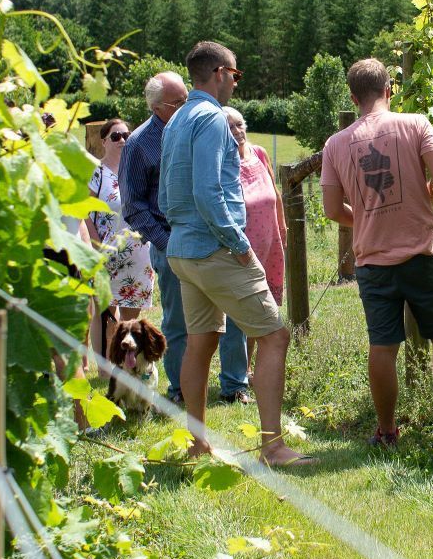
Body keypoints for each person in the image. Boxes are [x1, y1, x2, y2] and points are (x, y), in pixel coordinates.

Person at [159, 41, 314, 467]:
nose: (236, 83)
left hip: (182, 252)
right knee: (275, 336)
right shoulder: (210, 119)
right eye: (236, 75)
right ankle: (273, 447)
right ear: (221, 73)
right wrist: (240, 245)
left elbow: (166, 193)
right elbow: (210, 193)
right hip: (215, 249)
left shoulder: (175, 121)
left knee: (201, 342)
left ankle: (197, 441)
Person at [320, 58, 433, 448]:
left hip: (373, 262)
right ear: (389, 90)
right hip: (422, 252)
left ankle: (386, 431)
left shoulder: (335, 145)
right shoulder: (415, 124)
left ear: (353, 96)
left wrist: (365, 219)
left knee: (382, 346)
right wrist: (429, 192)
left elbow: (332, 210)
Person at [119, 71, 251, 405]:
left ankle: (234, 385)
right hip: (173, 244)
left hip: (216, 239)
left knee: (234, 313)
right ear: (156, 106)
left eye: (185, 98)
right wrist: (165, 242)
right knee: (179, 322)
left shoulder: (202, 126)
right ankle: (179, 389)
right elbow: (134, 207)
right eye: (177, 102)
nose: (184, 105)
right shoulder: (138, 144)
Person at [223, 106, 287, 375]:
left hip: (270, 245)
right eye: (230, 127)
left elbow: (274, 192)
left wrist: (282, 229)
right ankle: (238, 370)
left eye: (239, 124)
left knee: (264, 308)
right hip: (242, 249)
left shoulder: (259, 153)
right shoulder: (223, 162)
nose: (237, 131)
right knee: (244, 312)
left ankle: (249, 367)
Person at [86, 118, 154, 362]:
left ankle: (128, 364)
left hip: (138, 251)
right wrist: (96, 247)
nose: (122, 140)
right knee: (105, 312)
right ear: (104, 141)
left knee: (131, 316)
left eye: (126, 135)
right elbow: (84, 212)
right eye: (116, 136)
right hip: (106, 251)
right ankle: (104, 365)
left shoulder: (137, 169)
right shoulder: (97, 173)